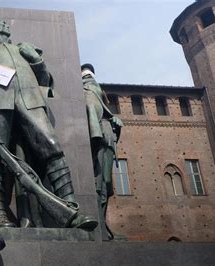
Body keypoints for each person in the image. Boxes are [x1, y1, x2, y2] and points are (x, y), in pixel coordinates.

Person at [0, 17, 97, 229]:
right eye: (3, 24)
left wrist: (37, 60)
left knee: (53, 148)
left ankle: (71, 208)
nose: (7, 27)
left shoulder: (23, 50)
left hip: (31, 102)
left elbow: (45, 80)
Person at [82, 63, 123, 240]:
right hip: (98, 140)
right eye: (88, 77)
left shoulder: (95, 91)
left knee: (105, 184)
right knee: (99, 185)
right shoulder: (88, 89)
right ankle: (100, 230)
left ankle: (102, 227)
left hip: (107, 140)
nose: (91, 80)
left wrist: (114, 121)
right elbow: (91, 109)